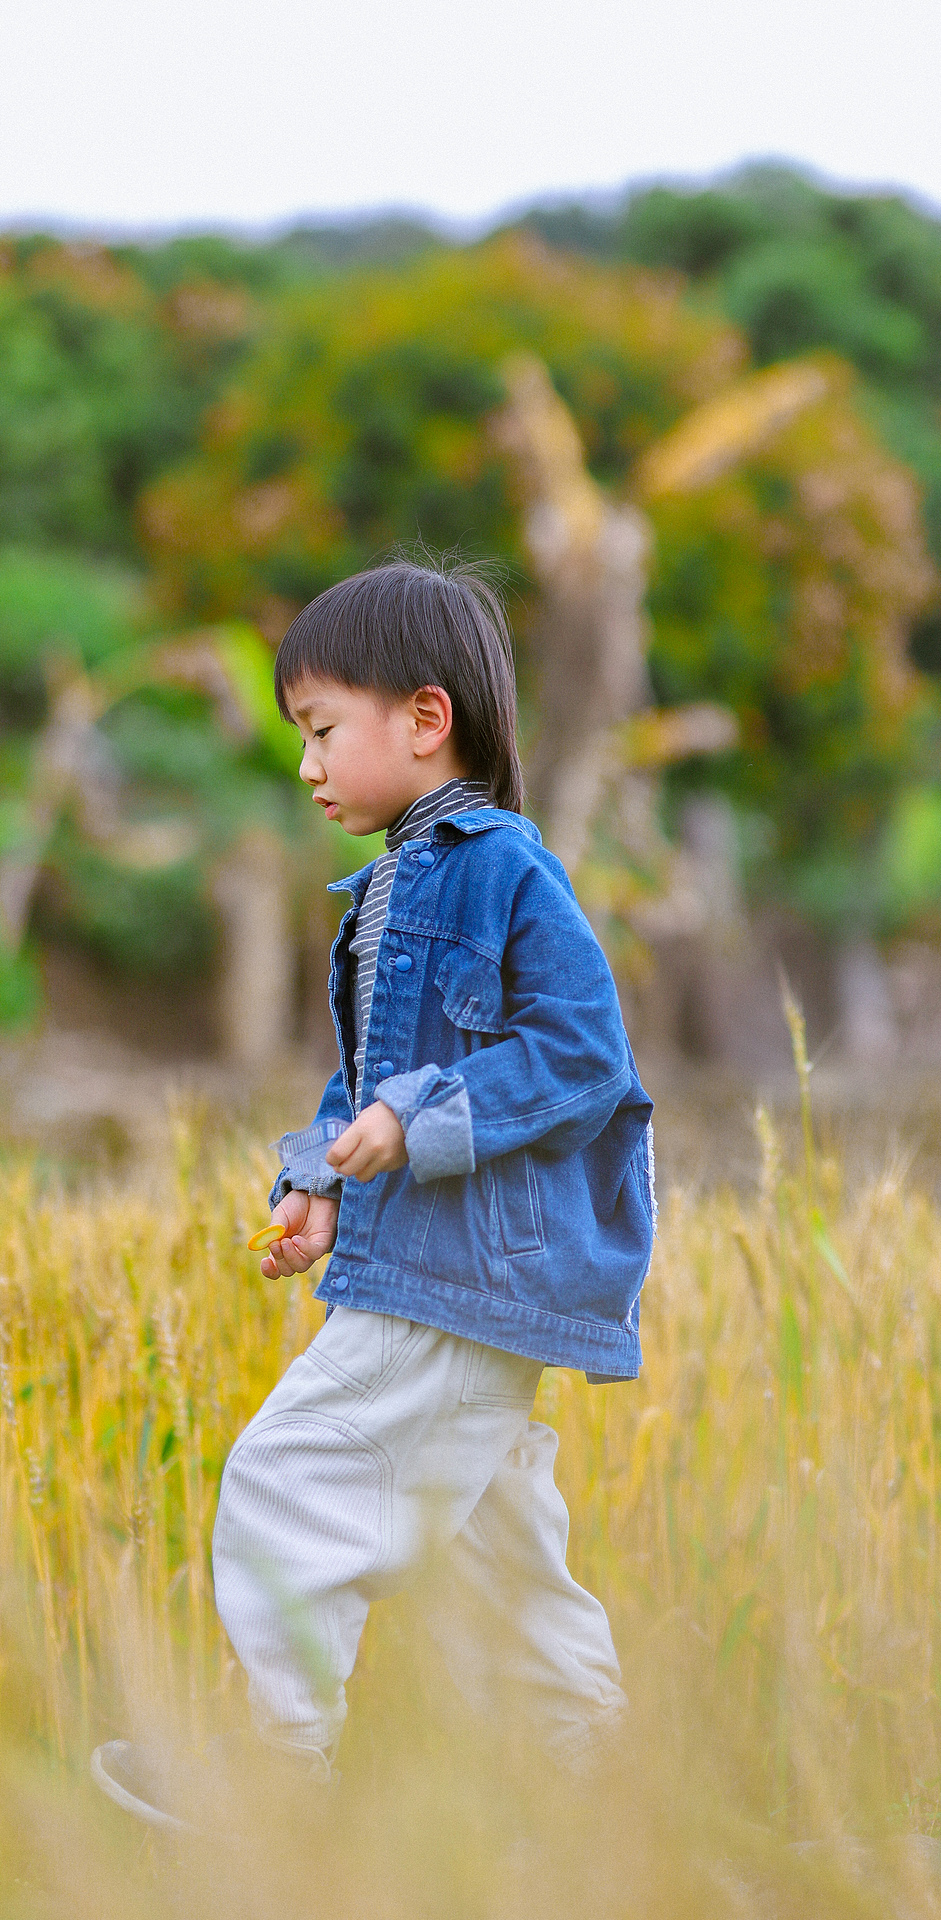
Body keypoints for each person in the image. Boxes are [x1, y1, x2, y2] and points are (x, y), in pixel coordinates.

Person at [93, 560, 654, 1825]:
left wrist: (418, 1120)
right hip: (438, 1266)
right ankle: (600, 1805)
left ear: (423, 717)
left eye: (320, 729)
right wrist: (324, 1183)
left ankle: (274, 1782)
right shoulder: (389, 889)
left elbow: (583, 1054)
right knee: (496, 1562)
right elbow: (368, 1082)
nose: (306, 766)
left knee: (289, 1477)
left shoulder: (501, 870)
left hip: (463, 1277)